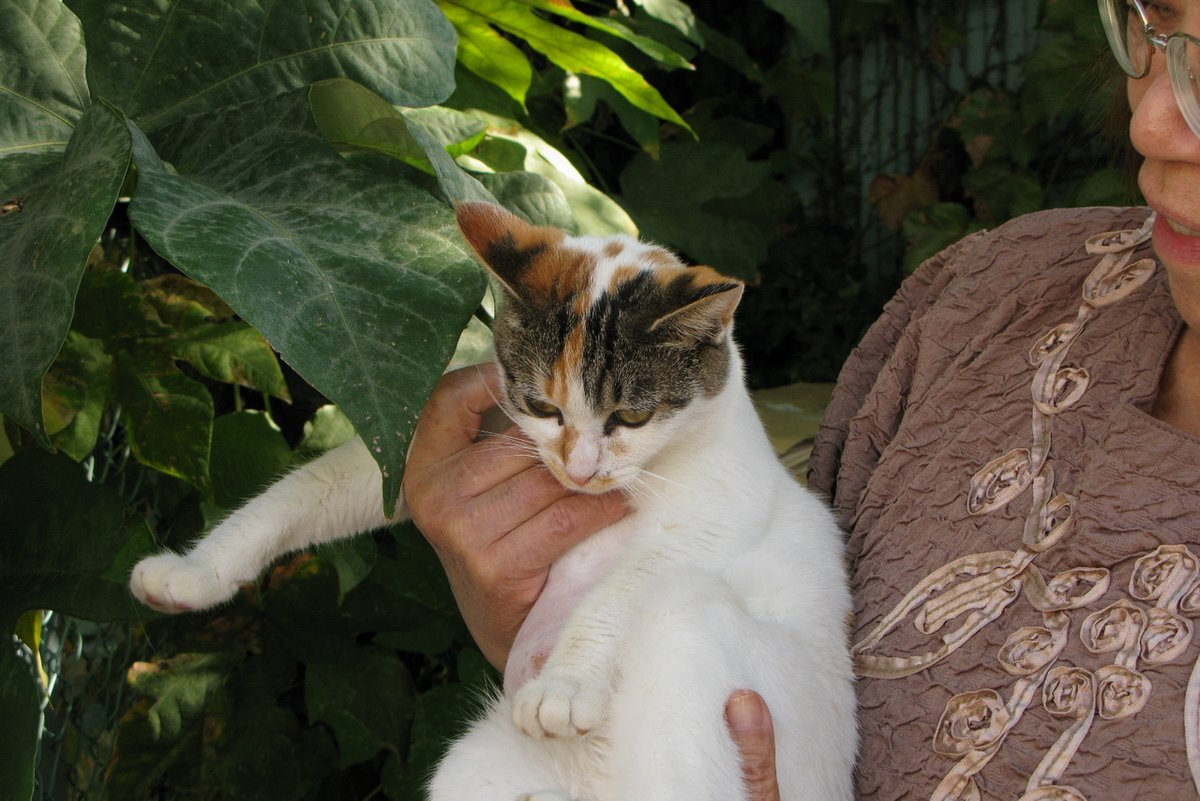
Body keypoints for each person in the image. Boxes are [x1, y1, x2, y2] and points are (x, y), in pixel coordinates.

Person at [403, 0, 1200, 797]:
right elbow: (749, 605)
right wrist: (551, 628)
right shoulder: (985, 299)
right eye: (1153, 23)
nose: (1155, 124)